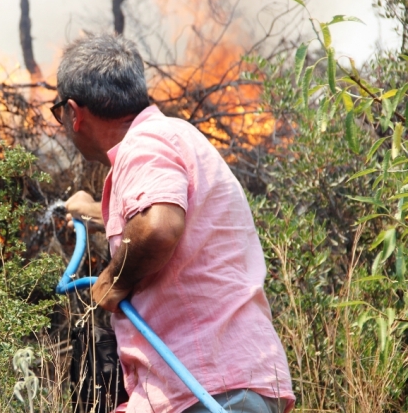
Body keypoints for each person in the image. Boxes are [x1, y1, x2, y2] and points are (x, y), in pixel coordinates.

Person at [54, 33, 295, 413]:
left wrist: (114, 280)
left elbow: (158, 226)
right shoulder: (173, 136)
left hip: (205, 386)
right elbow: (159, 218)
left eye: (59, 114)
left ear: (74, 112)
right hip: (228, 382)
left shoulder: (144, 146)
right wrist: (90, 211)